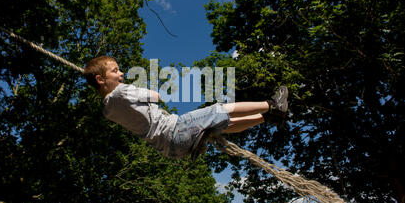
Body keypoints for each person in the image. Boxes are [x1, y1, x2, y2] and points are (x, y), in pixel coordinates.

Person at [83, 56, 288, 160]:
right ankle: (271, 105)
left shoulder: (107, 110)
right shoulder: (121, 92)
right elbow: (155, 96)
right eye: (115, 70)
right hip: (176, 129)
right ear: (101, 79)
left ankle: (266, 118)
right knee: (219, 109)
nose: (122, 73)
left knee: (223, 125)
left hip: (170, 150)